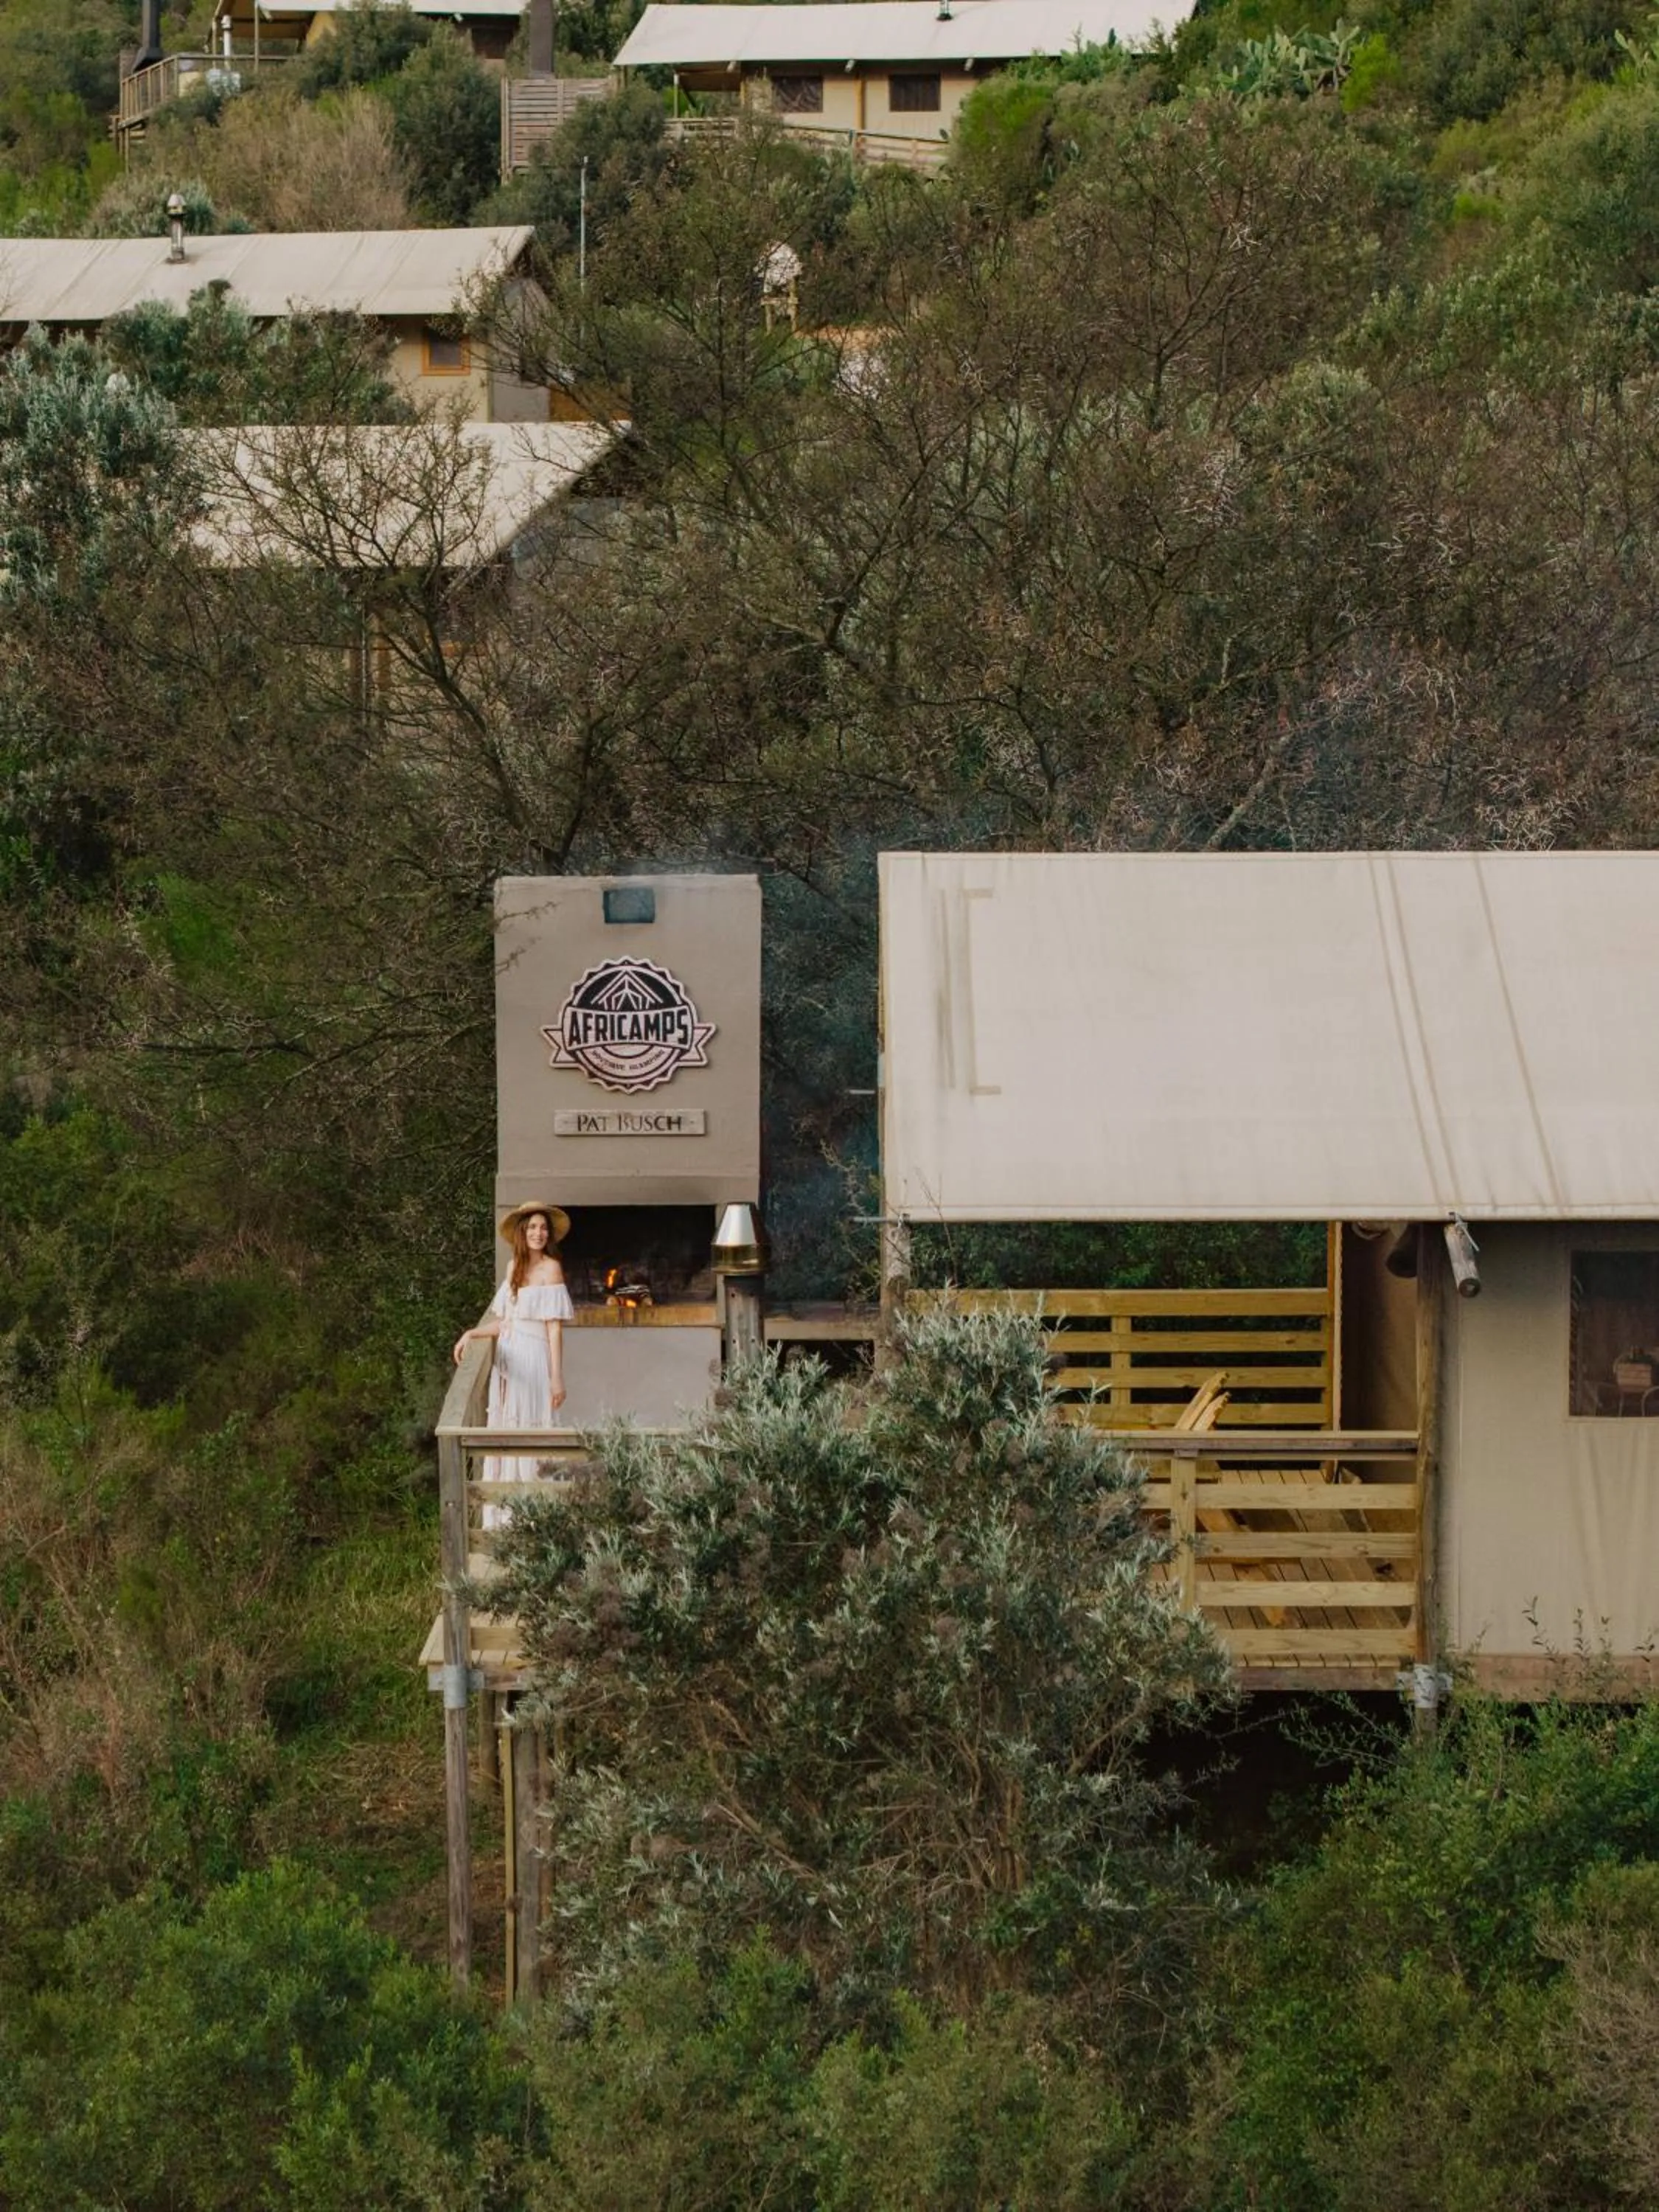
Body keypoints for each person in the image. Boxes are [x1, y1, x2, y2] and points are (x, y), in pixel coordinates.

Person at [453, 1201, 575, 1526]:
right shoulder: (513, 1269)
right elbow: (506, 1321)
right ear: (522, 1232)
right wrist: (472, 1333)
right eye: (532, 1227)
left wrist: (557, 1377)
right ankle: (504, 1516)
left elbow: (554, 1328)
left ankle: (538, 1516)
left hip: (535, 1359)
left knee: (532, 1425)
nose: (538, 1233)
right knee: (506, 1425)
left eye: (543, 1228)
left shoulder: (551, 1269)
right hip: (508, 1358)